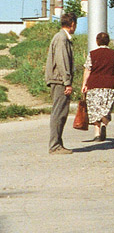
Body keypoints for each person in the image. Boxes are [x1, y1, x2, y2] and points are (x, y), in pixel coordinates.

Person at [45, 13, 77, 154]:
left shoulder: (61, 37)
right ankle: (55, 146)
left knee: (61, 113)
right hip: (59, 81)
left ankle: (58, 143)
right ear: (72, 24)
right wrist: (67, 82)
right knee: (59, 113)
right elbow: (62, 61)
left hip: (59, 80)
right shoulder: (62, 38)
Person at [82, 31, 114, 142]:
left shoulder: (92, 54)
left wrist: (84, 84)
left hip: (94, 85)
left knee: (95, 108)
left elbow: (88, 70)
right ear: (108, 42)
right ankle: (104, 122)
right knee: (106, 107)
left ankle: (97, 133)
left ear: (97, 42)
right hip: (110, 85)